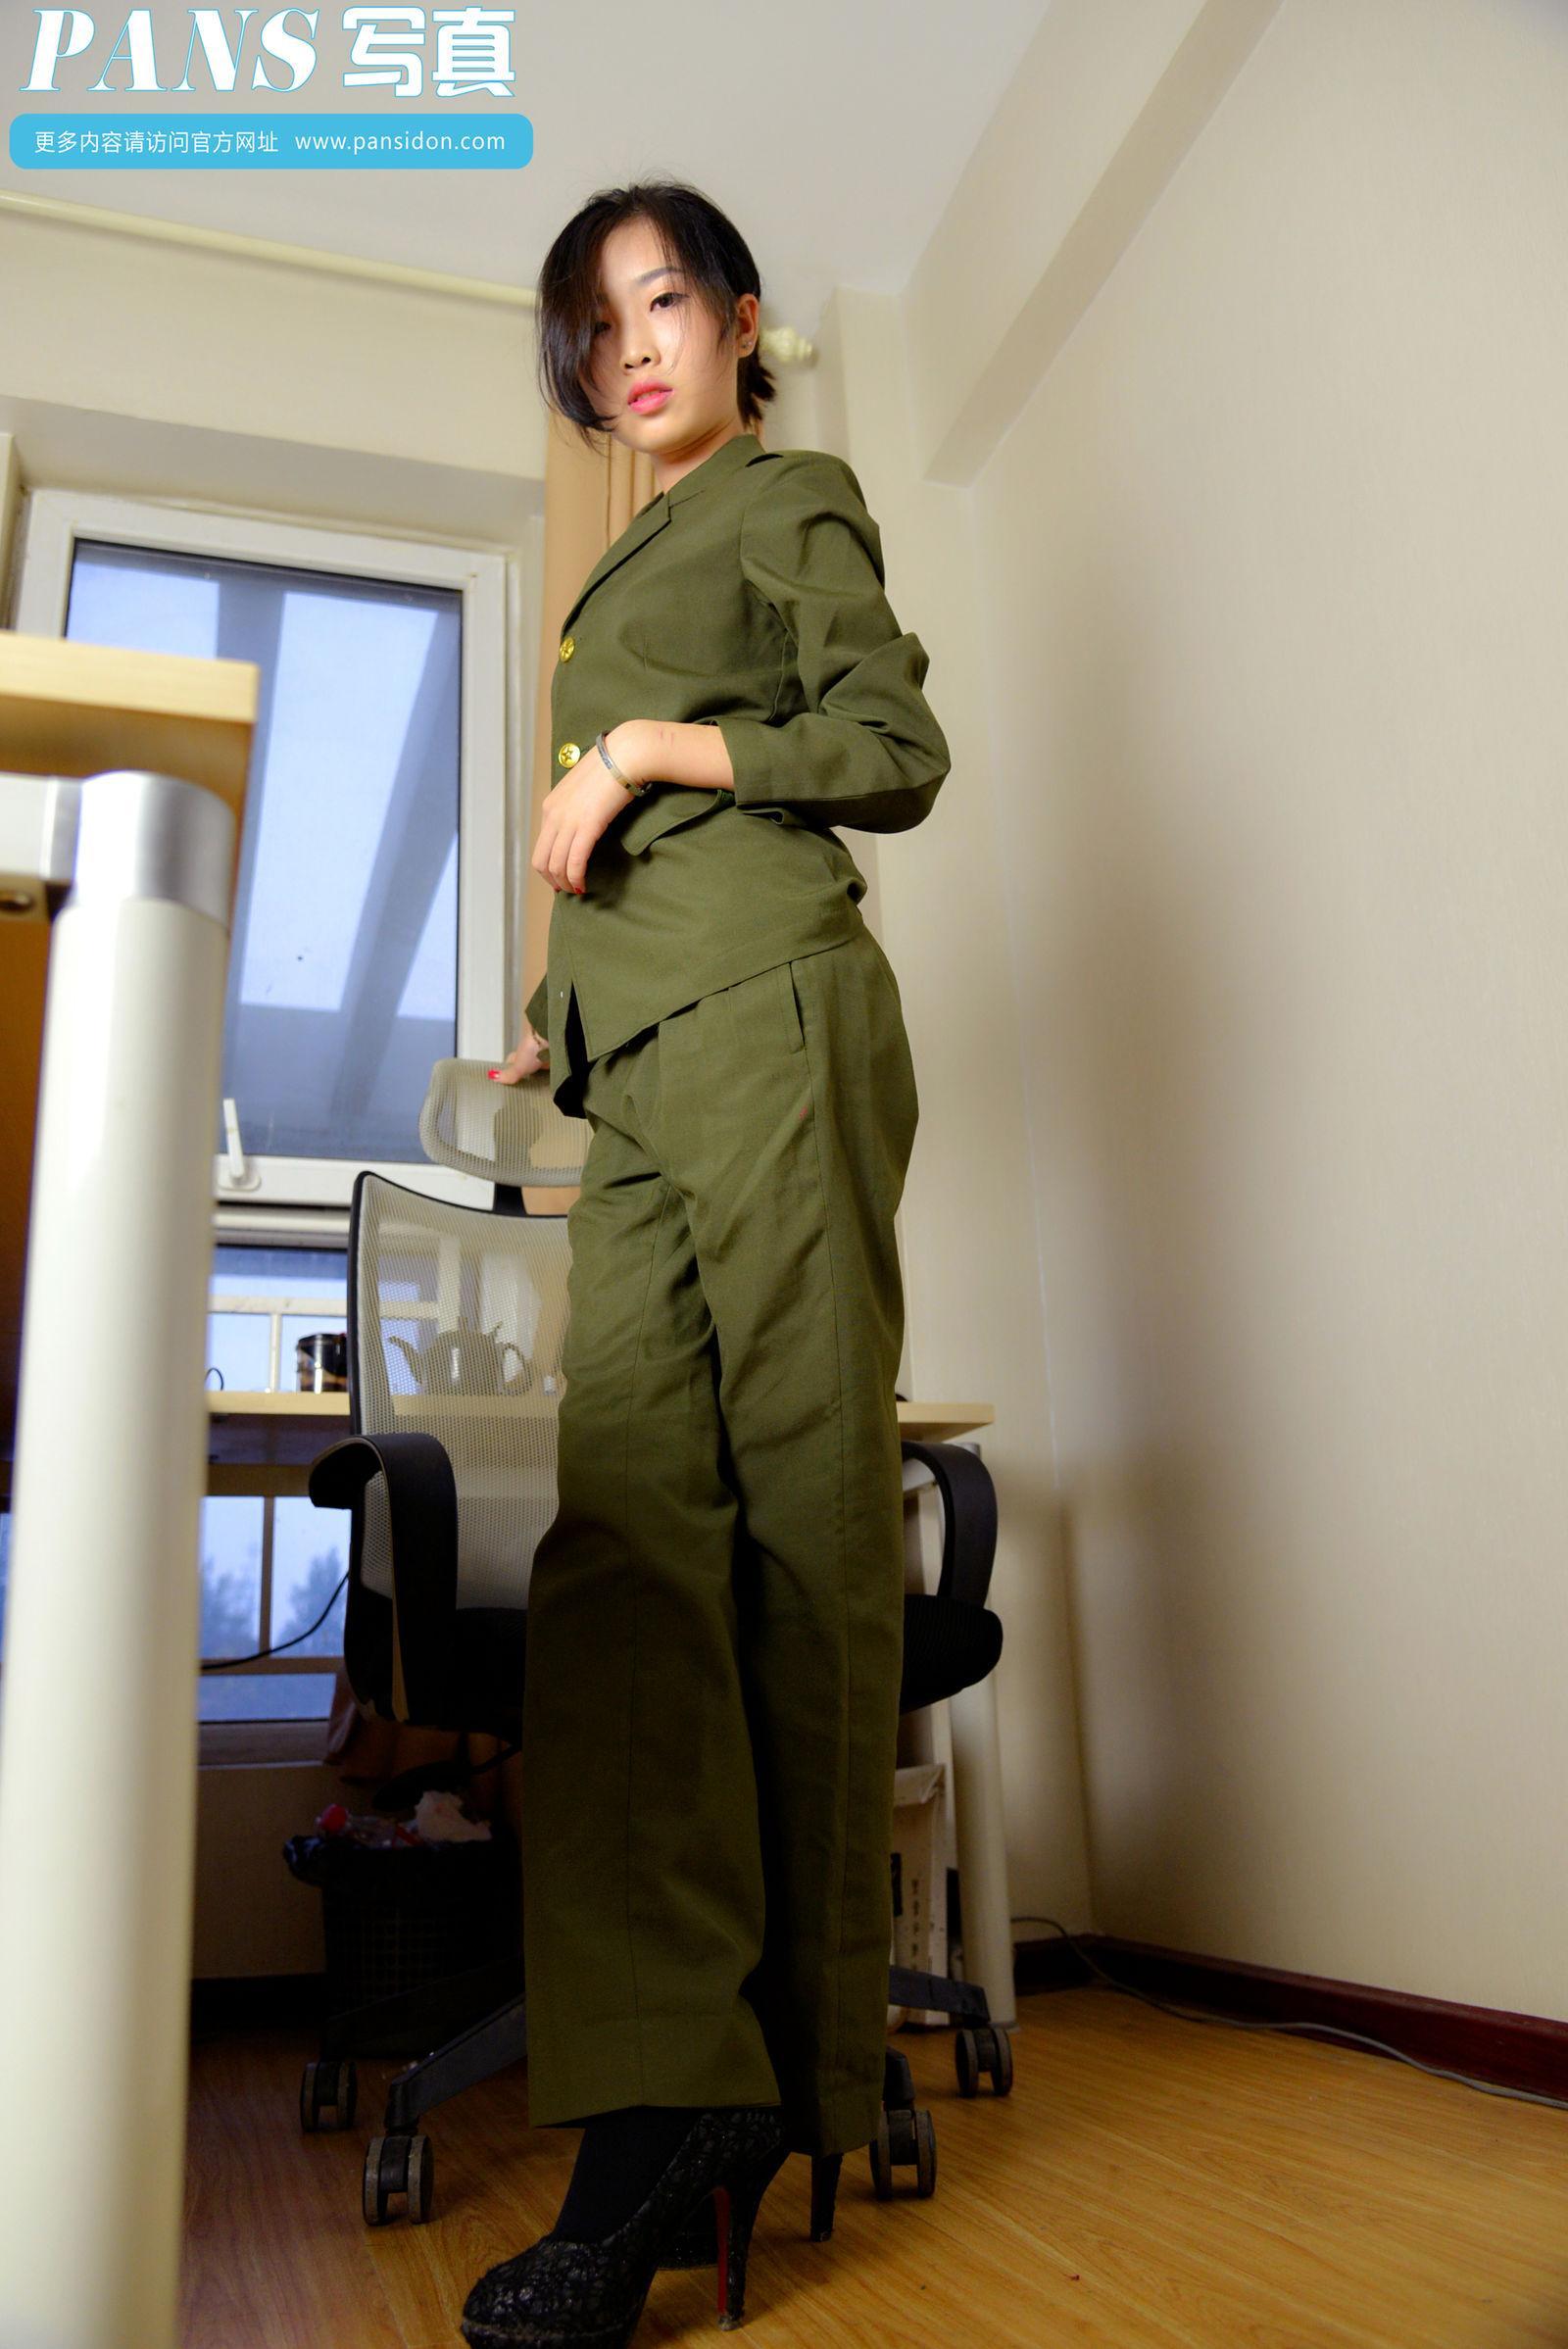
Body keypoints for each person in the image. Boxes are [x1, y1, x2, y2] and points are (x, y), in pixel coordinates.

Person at [461, 178, 950, 2349]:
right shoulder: (613, 569)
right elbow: (619, 868)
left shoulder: (787, 493)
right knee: (627, 1550)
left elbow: (890, 749)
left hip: (771, 1014)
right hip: (639, 1069)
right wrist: (547, 1013)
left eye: (664, 299)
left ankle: (783, 2086)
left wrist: (651, 749)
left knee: (803, 1529)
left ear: (741, 321)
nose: (632, 344)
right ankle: (670, 2093)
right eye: (599, 324)